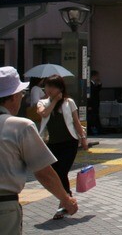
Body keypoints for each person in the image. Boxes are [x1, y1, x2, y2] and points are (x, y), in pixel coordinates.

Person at [0, 67, 78, 232]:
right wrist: (66, 200)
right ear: (14, 97)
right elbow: (43, 172)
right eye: (21, 94)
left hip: (67, 142)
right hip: (4, 207)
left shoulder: (68, 102)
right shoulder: (20, 126)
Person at [35, 75, 89, 220]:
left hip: (69, 142)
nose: (50, 89)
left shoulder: (69, 102)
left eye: (53, 86)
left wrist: (83, 139)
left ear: (61, 88)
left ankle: (64, 202)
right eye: (47, 86)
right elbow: (43, 113)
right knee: (58, 173)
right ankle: (67, 199)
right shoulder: (42, 103)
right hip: (52, 144)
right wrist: (54, 101)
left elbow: (76, 122)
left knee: (61, 171)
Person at [87, 71, 102, 135]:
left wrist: (99, 84)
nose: (98, 77)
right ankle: (93, 130)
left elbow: (96, 91)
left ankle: (98, 130)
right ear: (94, 76)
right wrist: (89, 105)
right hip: (92, 104)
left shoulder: (93, 84)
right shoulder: (89, 84)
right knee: (92, 118)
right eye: (97, 76)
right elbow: (90, 95)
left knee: (94, 117)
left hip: (94, 104)